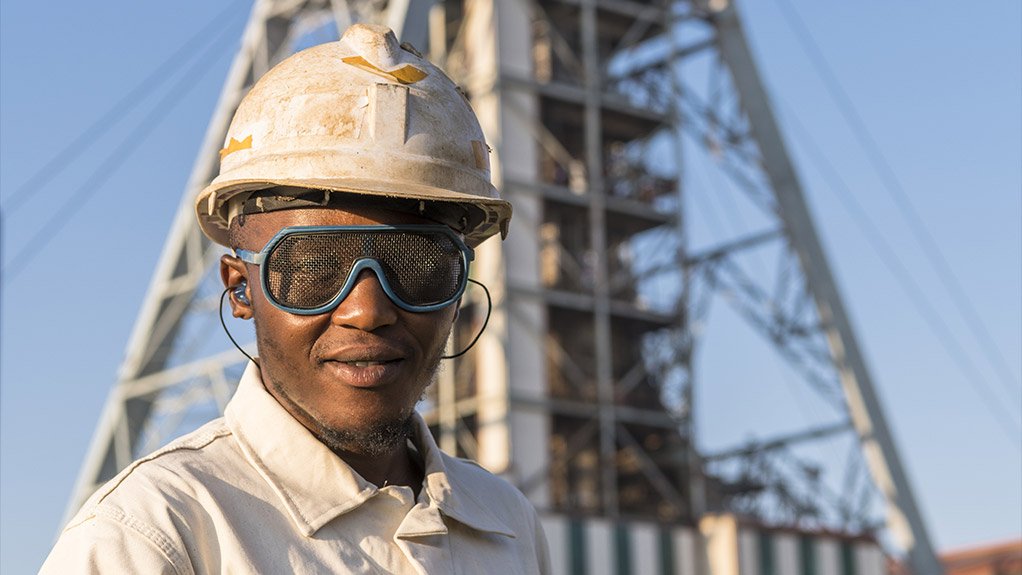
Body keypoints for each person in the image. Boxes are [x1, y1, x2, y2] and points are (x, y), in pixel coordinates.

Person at [41, 23, 549, 574]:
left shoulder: (505, 526)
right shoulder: (156, 535)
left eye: (417, 263)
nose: (368, 311)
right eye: (312, 268)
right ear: (240, 287)